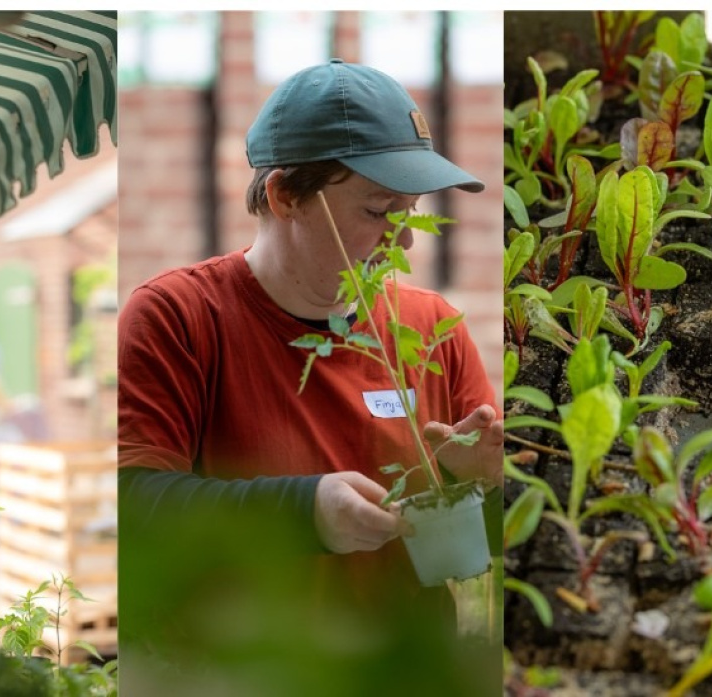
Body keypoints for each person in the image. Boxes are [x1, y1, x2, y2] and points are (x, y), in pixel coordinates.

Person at [118, 60, 504, 695]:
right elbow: (134, 507)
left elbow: (485, 553)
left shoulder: (431, 327)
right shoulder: (178, 318)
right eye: (379, 210)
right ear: (284, 196)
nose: (401, 243)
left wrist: (489, 488)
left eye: (410, 213)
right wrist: (305, 511)